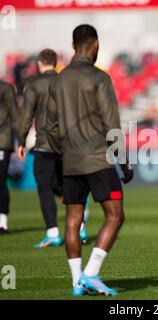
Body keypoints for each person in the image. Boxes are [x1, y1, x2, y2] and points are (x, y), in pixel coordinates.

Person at [46, 24, 133, 296]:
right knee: (115, 215)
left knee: (73, 219)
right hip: (97, 158)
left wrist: (60, 157)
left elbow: (49, 127)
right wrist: (123, 160)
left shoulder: (57, 80)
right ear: (95, 44)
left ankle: (76, 283)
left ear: (73, 46)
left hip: (69, 160)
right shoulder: (99, 78)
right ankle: (91, 274)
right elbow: (111, 123)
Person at [17, 49, 89, 247]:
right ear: (55, 63)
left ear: (40, 64)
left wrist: (21, 141)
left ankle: (53, 232)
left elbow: (26, 116)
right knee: (66, 186)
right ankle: (80, 226)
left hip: (45, 144)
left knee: (44, 186)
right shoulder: (67, 81)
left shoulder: (34, 84)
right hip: (67, 143)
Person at [0, 81, 19, 234]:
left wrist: (21, 141)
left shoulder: (5, 88)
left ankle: (3, 222)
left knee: (0, 180)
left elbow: (15, 115)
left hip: (2, 140)